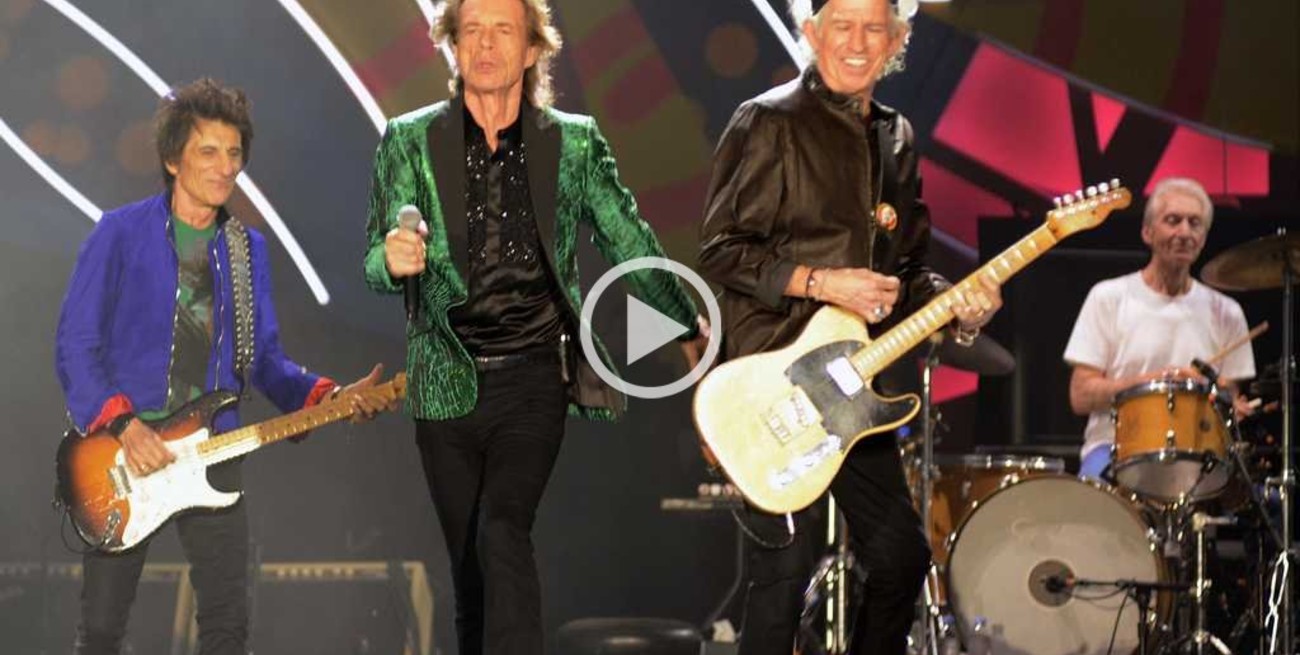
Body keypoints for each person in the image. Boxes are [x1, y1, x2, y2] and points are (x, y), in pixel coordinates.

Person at [363, 0, 709, 652]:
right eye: (472, 31)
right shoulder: (408, 139)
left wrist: (682, 319)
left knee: (502, 528)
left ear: (531, 49)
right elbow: (374, 261)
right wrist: (391, 258)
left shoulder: (572, 143)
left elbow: (627, 238)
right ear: (453, 45)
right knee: (470, 574)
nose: (486, 45)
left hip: (533, 377)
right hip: (445, 379)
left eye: (503, 31)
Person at [696, 0, 1001, 652]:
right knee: (783, 576)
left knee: (900, 558)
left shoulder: (897, 137)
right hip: (771, 386)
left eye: (873, 28)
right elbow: (721, 250)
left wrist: (961, 307)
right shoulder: (767, 120)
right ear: (812, 34)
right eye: (842, 25)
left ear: (897, 40)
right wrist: (822, 282)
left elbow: (907, 273)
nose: (858, 42)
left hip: (851, 393)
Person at [54, 77, 392, 655]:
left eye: (233, 153)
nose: (225, 166)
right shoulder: (119, 233)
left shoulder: (246, 249)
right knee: (103, 631)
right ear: (172, 159)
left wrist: (329, 397)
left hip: (214, 453)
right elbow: (75, 345)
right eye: (208, 151)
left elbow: (265, 360)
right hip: (121, 455)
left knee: (227, 630)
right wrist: (124, 425)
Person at [1065, 176, 1255, 480]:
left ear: (1204, 238)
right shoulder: (1108, 297)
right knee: (1091, 495)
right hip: (1113, 447)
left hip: (1197, 452)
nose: (1184, 232)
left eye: (1195, 223)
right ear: (1147, 232)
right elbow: (1081, 395)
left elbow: (1228, 398)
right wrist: (1152, 383)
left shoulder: (1227, 312)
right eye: (1173, 220)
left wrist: (1212, 394)